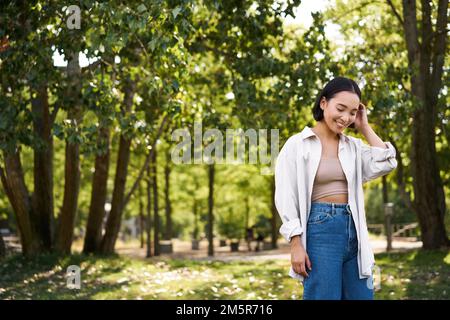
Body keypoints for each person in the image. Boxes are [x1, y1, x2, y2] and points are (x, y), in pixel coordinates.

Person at [274, 76, 398, 300]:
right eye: (340, 108)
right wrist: (295, 243)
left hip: (355, 230)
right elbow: (285, 196)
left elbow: (387, 161)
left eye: (352, 112)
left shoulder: (353, 147)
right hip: (320, 230)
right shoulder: (297, 145)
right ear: (323, 103)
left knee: (362, 296)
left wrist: (365, 126)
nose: (345, 118)